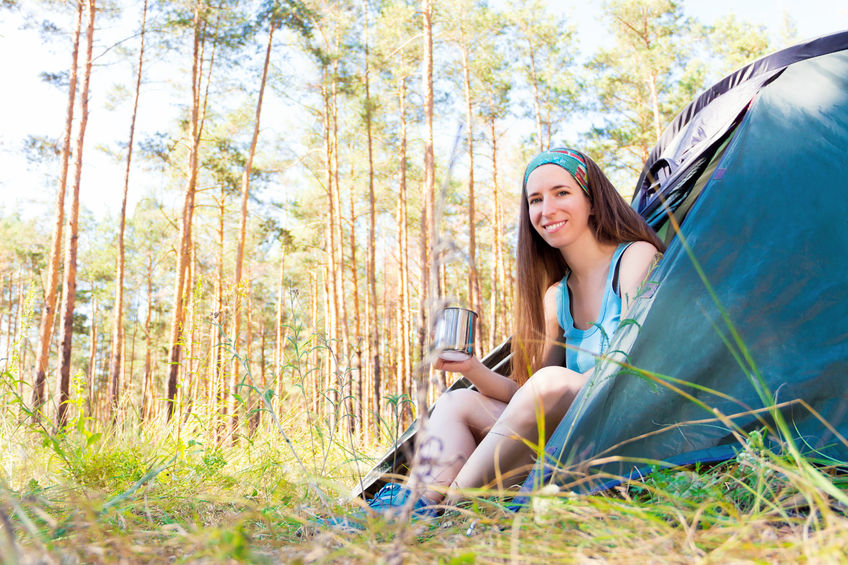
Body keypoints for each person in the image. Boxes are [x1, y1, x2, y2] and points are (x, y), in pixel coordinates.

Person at [351, 148, 665, 520]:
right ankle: (415, 500)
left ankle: (441, 510)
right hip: (566, 437)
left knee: (550, 380)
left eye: (561, 193)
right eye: (535, 200)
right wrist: (471, 368)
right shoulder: (557, 295)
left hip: (624, 423)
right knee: (456, 403)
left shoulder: (635, 258)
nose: (546, 209)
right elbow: (528, 396)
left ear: (592, 201)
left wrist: (553, 385)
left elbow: (634, 363)